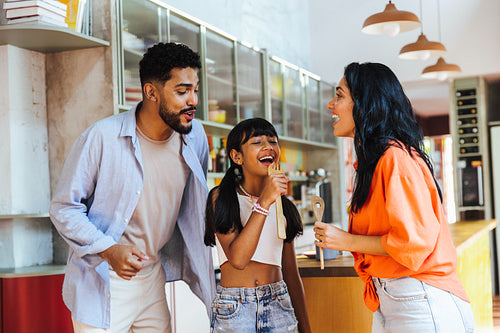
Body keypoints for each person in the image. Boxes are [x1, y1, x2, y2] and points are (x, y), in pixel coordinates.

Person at [49, 42, 215, 332]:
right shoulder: (102, 138)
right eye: (181, 91)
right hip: (104, 279)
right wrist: (109, 249)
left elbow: (194, 204)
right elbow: (64, 208)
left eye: (195, 89)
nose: (193, 101)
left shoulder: (195, 135)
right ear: (151, 92)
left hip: (153, 276)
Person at [314, 62, 474, 333]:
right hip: (397, 299)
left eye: (339, 95)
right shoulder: (376, 162)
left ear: (365, 104)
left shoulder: (395, 159)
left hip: (420, 299)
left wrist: (345, 240)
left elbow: (413, 243)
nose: (331, 104)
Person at [204, 118, 311, 333]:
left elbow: (290, 272)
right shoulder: (222, 198)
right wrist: (264, 202)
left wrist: (306, 328)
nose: (268, 147)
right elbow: (239, 259)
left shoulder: (284, 204)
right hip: (235, 309)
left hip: (278, 304)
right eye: (257, 142)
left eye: (272, 141)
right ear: (236, 156)